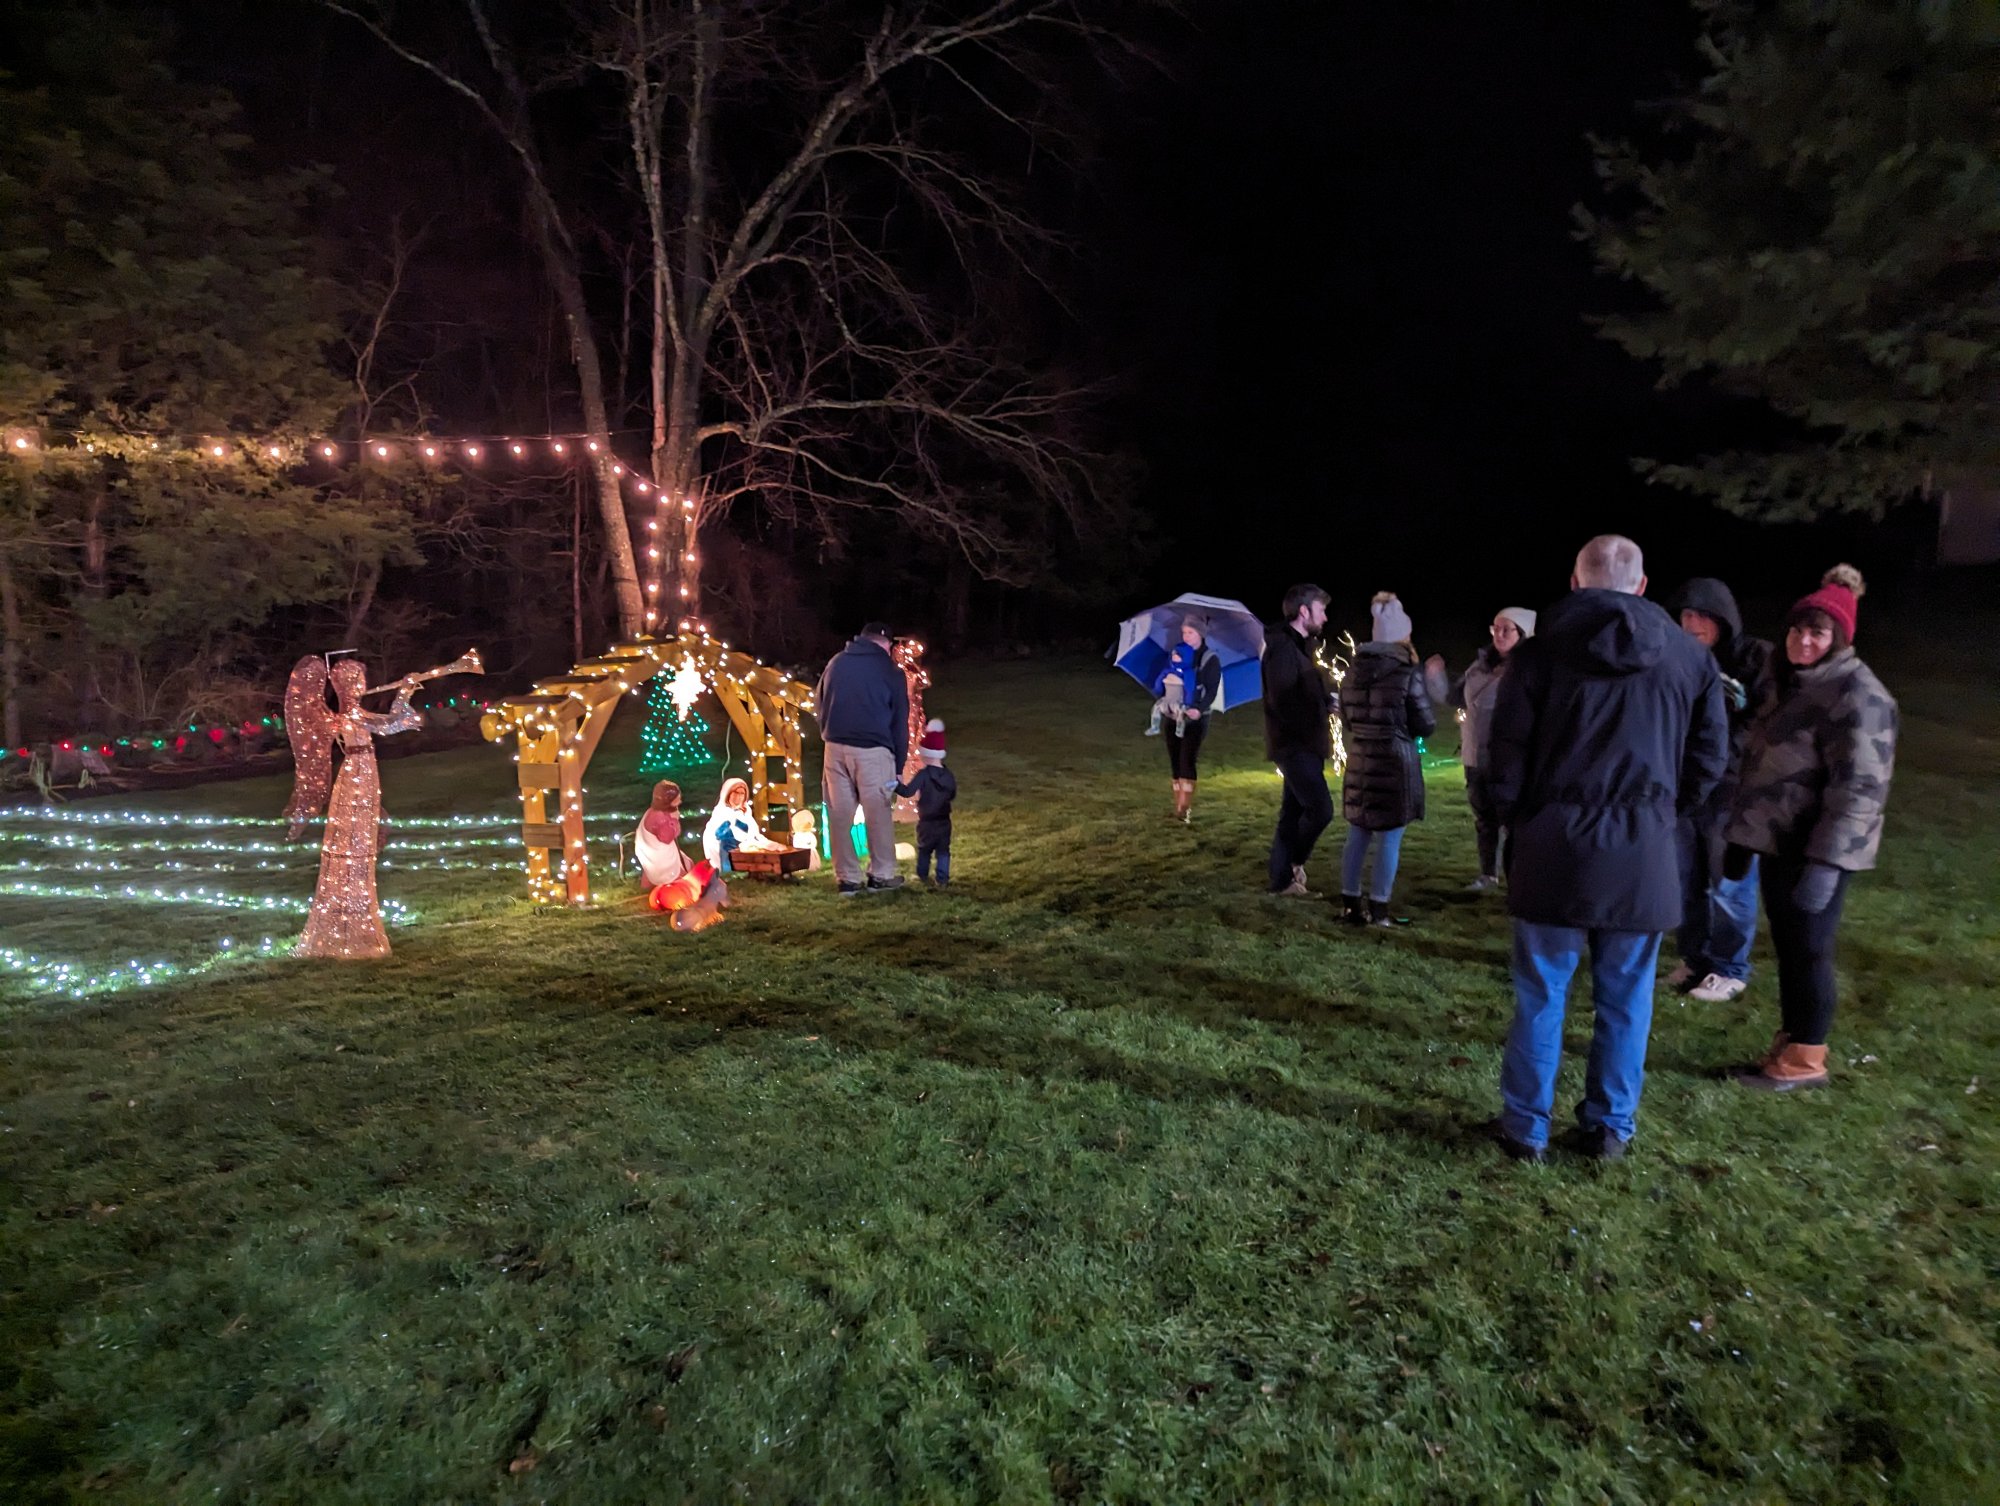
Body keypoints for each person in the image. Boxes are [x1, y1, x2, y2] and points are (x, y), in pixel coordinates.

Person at [1486, 535, 1727, 1161]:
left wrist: (1521, 821)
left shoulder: (1537, 658)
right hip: (1641, 853)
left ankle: (1525, 1127)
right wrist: (1662, 814)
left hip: (1554, 847)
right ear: (1641, 586)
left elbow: (1503, 758)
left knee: (1542, 995)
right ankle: (1609, 1128)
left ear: (1576, 581)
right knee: (1625, 998)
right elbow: (1709, 759)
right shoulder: (1690, 659)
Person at [1724, 565, 1897, 1092]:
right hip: (1781, 845)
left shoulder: (1858, 695)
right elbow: (1766, 765)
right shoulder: (1792, 684)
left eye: (1817, 633)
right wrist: (1743, 838)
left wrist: (1827, 863)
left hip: (1815, 850)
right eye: (1797, 630)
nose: (1803, 641)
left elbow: (1859, 790)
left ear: (1838, 639)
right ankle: (1792, 1044)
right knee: (1792, 948)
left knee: (1810, 950)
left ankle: (1806, 1061)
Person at [1666, 578, 1777, 1003]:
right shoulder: (1679, 658)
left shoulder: (1755, 658)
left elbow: (1763, 720)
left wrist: (1719, 757)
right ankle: (1695, 959)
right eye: (1686, 615)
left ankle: (1730, 967)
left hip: (1732, 789)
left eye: (1702, 616)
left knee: (1728, 883)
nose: (1692, 624)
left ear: (1722, 618)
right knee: (1686, 880)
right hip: (1685, 787)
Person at [1338, 594, 1436, 926]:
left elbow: (1348, 720)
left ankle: (1350, 905)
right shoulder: (1406, 673)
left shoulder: (1352, 672)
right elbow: (1425, 724)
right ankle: (1379, 909)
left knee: (1358, 832)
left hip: (1360, 758)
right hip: (1395, 762)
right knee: (1390, 836)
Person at [1424, 606, 1536, 891]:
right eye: (1495, 628)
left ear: (1523, 633)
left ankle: (1520, 882)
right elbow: (1454, 697)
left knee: (1513, 824)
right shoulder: (1478, 666)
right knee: (1484, 821)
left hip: (1510, 761)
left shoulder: (1529, 670)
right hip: (1475, 758)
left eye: (1507, 629)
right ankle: (1488, 875)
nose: (1499, 634)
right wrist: (1435, 676)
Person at [814, 621, 910, 894]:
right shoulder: (890, 671)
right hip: (873, 750)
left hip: (834, 748)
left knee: (839, 814)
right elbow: (899, 721)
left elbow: (819, 702)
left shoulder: (836, 663)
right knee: (877, 813)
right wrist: (899, 764)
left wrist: (828, 732)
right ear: (886, 644)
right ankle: (881, 874)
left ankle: (847, 878)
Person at [1261, 583, 1336, 896]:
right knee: (1321, 809)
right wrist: (1318, 707)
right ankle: (1293, 863)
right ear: (1304, 611)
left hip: (1306, 743)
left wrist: (1327, 701)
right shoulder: (1282, 648)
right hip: (1294, 744)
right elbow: (1283, 699)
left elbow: (1303, 690)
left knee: (1291, 815)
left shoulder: (1301, 647)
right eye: (1321, 610)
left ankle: (1281, 882)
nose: (1325, 617)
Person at [1160, 619, 1222, 824]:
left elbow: (1211, 691)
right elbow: (1168, 679)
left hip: (1196, 718)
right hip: (1173, 714)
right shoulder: (1176, 652)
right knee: (1174, 758)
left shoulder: (1210, 659)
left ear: (1201, 635)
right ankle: (1177, 804)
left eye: (1190, 633)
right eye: (1184, 632)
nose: (1186, 637)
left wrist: (1199, 709)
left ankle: (1184, 808)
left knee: (1187, 758)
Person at [890, 718, 958, 886]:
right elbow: (952, 794)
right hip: (944, 821)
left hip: (927, 821)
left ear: (926, 754)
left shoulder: (923, 775)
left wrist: (895, 785)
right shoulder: (948, 775)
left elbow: (908, 791)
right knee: (943, 851)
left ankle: (922, 875)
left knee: (924, 849)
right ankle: (942, 879)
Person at [701, 776, 784, 869]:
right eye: (736, 793)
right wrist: (754, 844)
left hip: (744, 845)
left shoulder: (745, 813)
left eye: (742, 793)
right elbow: (734, 834)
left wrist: (766, 843)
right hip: (725, 848)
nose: (739, 796)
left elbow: (754, 833)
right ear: (727, 794)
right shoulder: (722, 812)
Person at [634, 780, 691, 888]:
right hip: (658, 856)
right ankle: (678, 885)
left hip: (647, 852)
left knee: (686, 861)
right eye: (677, 799)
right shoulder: (660, 818)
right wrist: (674, 820)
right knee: (682, 871)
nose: (680, 801)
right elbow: (667, 838)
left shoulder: (653, 811)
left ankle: (647, 884)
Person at [1144, 634, 1199, 735]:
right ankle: (1155, 727)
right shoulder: (1168, 669)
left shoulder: (1187, 673)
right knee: (1156, 708)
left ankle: (1179, 731)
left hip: (1178, 700)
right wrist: (1157, 689)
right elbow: (1160, 680)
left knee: (1180, 714)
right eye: (1174, 654)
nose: (1174, 657)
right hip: (1167, 698)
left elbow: (1189, 688)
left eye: (1178, 655)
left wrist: (1188, 702)